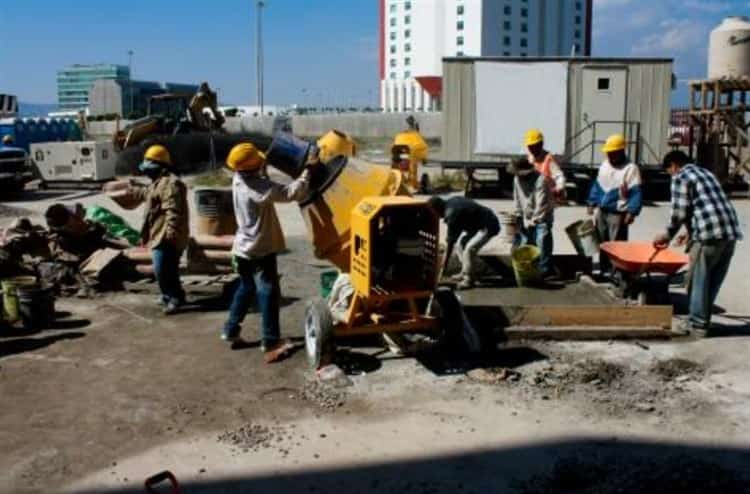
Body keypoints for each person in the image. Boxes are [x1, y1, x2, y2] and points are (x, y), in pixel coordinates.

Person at [220, 143, 313, 363]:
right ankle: (271, 341)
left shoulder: (238, 179)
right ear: (253, 167)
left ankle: (231, 329)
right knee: (269, 292)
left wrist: (262, 166)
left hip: (242, 248)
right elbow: (291, 192)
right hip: (260, 249)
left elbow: (258, 178)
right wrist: (308, 170)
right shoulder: (259, 189)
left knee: (246, 287)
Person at [653, 151, 742, 336]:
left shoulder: (681, 177)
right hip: (729, 234)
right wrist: (689, 232)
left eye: (669, 170)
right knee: (712, 281)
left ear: (674, 165)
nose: (671, 174)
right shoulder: (706, 173)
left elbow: (679, 212)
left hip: (709, 235)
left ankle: (697, 325)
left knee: (697, 280)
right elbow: (705, 205)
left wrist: (666, 235)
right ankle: (703, 321)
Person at [131, 145, 189, 315]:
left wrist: (171, 233)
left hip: (167, 235)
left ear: (161, 165)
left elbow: (173, 211)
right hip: (159, 233)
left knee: (162, 269)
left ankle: (174, 299)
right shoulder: (157, 182)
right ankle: (170, 295)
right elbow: (148, 195)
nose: (146, 170)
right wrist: (131, 189)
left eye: (149, 165)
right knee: (168, 269)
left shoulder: (171, 184)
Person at [587, 134, 643, 274]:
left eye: (613, 152)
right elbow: (597, 185)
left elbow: (636, 192)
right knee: (602, 243)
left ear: (621, 151)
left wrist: (632, 211)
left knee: (617, 244)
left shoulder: (631, 169)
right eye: (608, 152)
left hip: (617, 213)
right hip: (602, 210)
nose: (610, 155)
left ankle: (617, 272)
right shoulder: (605, 165)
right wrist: (591, 201)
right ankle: (604, 269)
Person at [429, 196, 500, 289]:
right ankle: (465, 271)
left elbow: (450, 245)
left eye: (433, 213)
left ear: (437, 209)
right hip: (477, 223)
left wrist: (443, 267)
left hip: (489, 225)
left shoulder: (451, 214)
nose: (434, 217)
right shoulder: (451, 202)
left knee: (469, 250)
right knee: (460, 245)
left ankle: (469, 280)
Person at [509, 158, 556, 278]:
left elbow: (541, 203)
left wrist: (534, 221)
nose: (519, 177)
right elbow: (517, 198)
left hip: (543, 215)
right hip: (528, 214)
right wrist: (518, 215)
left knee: (542, 240)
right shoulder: (516, 179)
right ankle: (531, 268)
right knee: (525, 242)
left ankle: (545, 269)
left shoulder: (540, 180)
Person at [524, 129, 566, 203]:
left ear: (541, 144)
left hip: (545, 195)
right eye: (530, 147)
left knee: (541, 180)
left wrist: (559, 188)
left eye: (534, 146)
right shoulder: (529, 158)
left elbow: (559, 176)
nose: (532, 149)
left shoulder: (548, 158)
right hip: (531, 193)